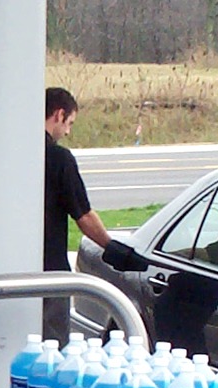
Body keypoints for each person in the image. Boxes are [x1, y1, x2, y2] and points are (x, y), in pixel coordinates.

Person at [43, 87, 145, 341]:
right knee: (51, 348)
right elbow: (83, 216)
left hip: (8, 270)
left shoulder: (8, 154)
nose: (67, 132)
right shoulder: (58, 158)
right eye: (70, 124)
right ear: (59, 114)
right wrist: (113, 250)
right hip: (49, 272)